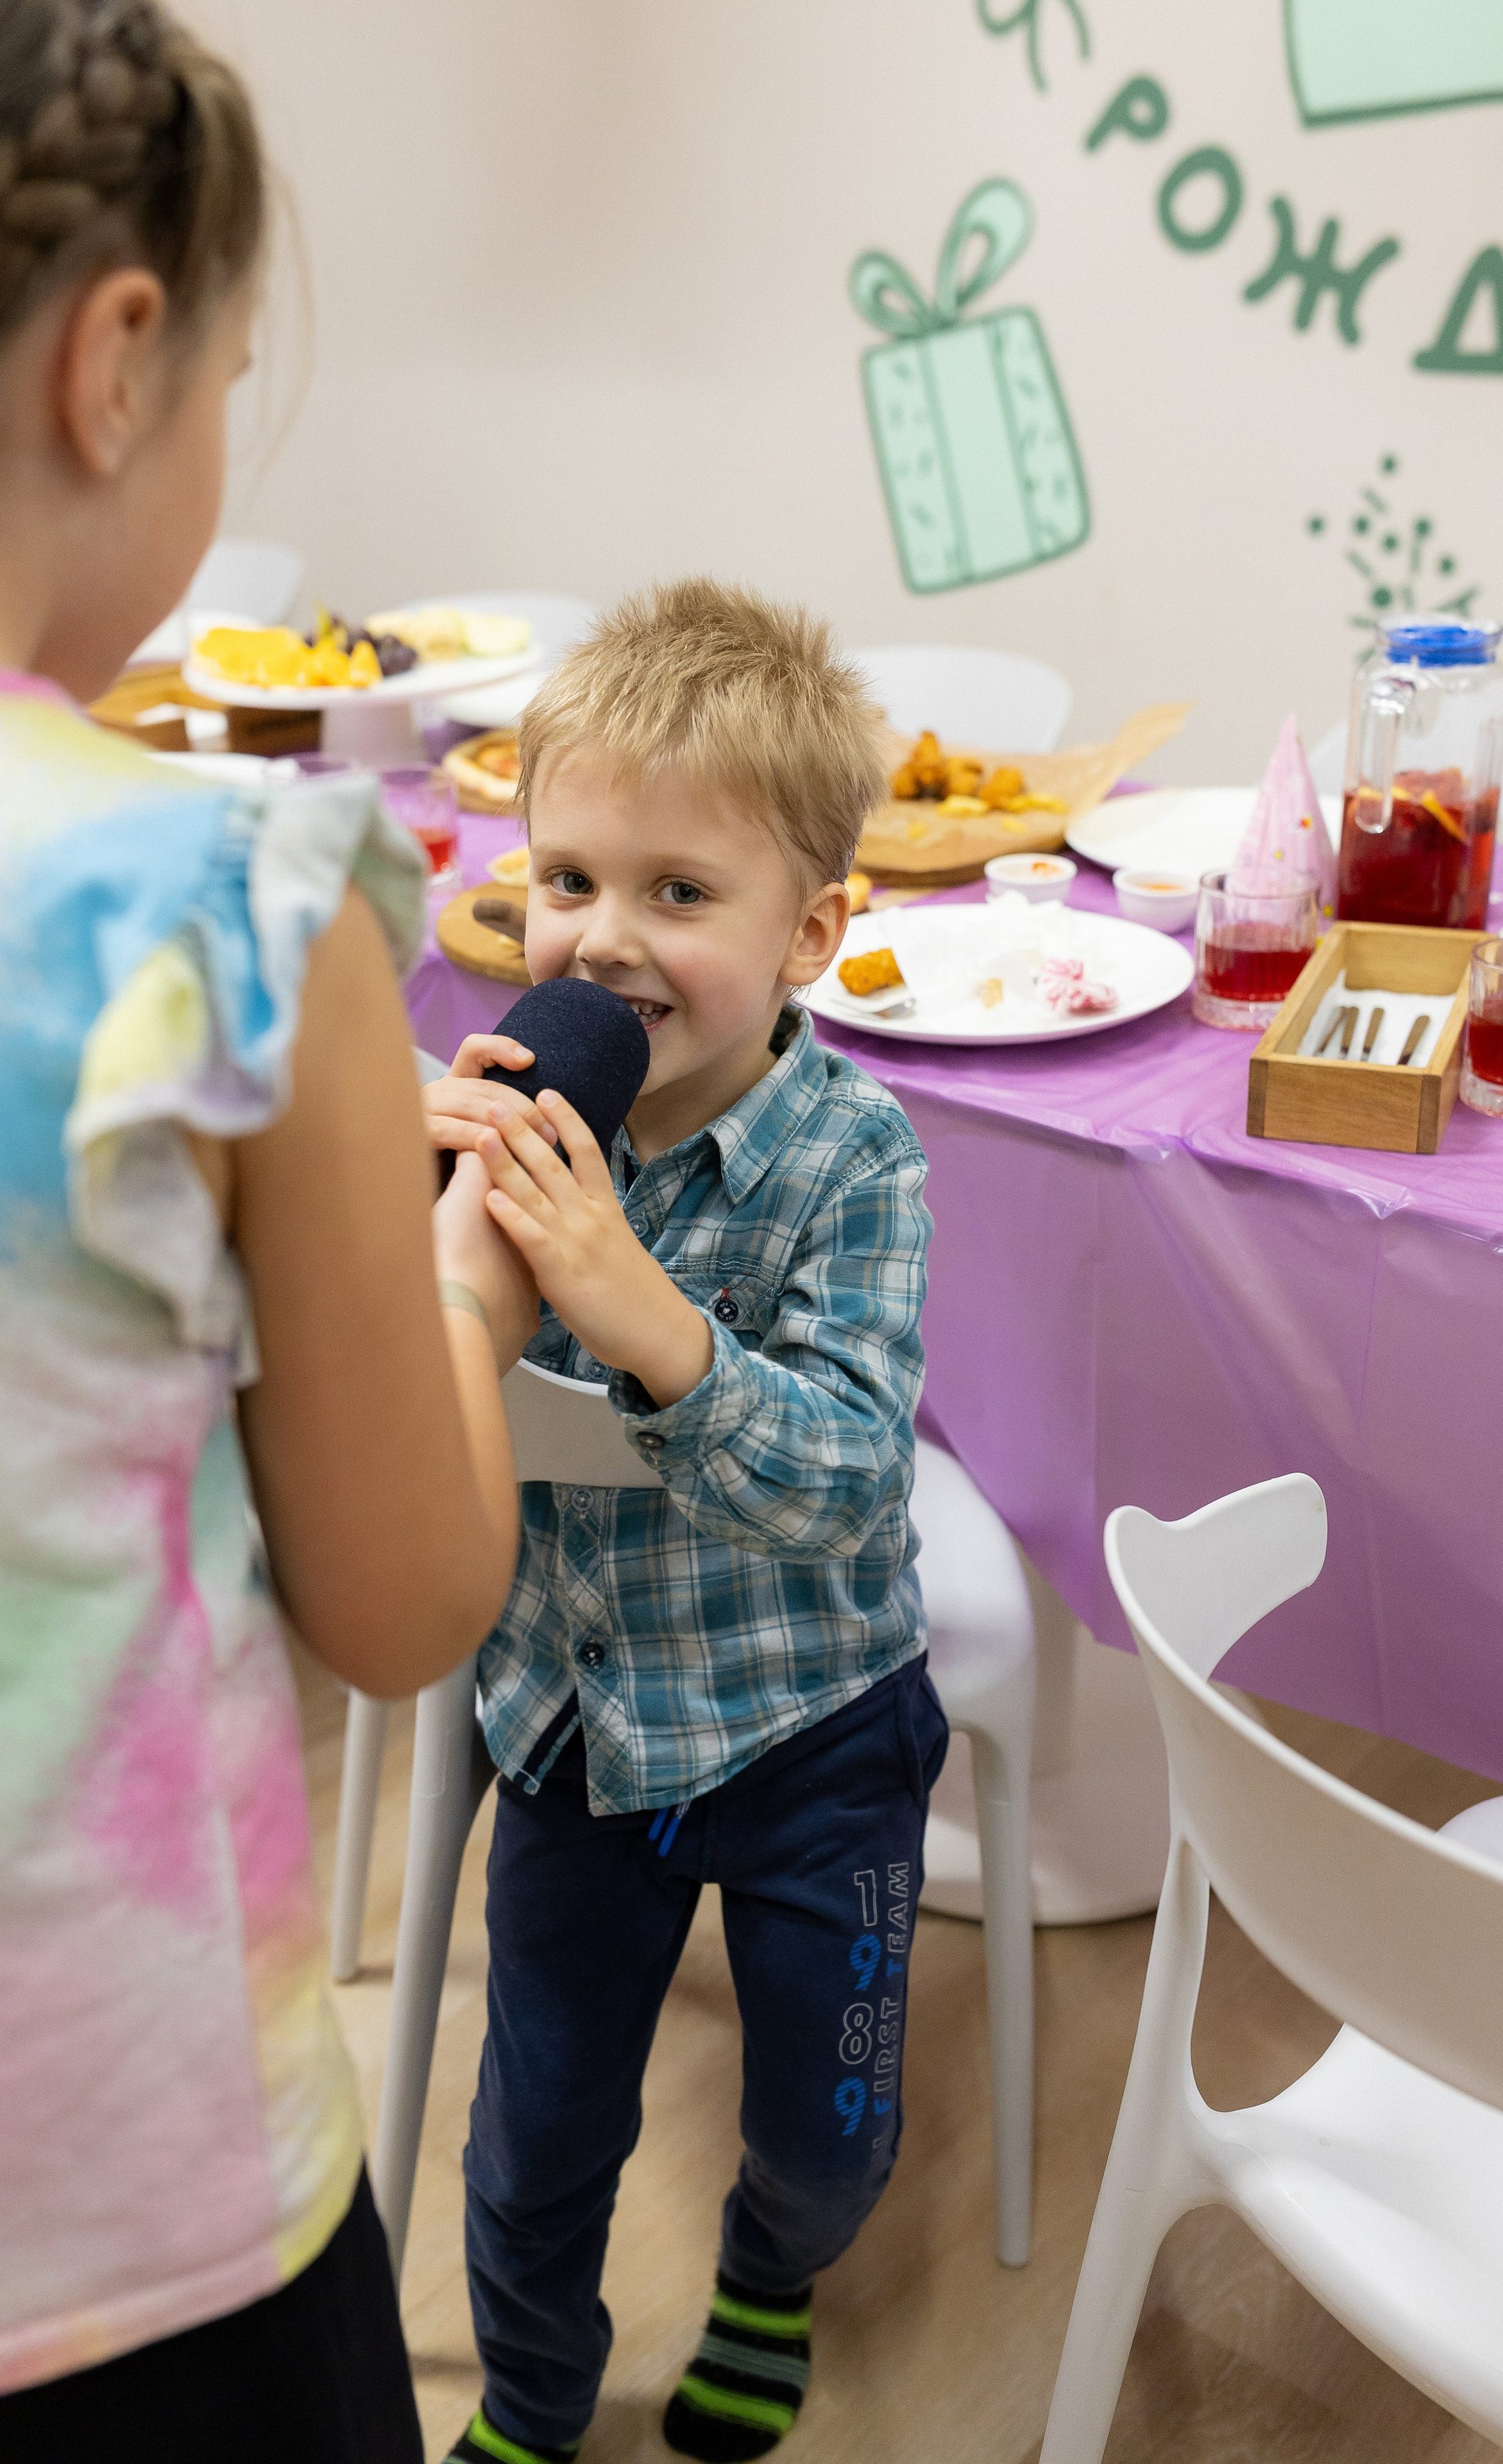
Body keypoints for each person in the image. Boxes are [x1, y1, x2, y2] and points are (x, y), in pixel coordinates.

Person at [0, 6, 538, 2458]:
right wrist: (461, 1263)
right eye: (226, 384)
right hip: (132, 2233)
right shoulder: (220, 905)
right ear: (118, 365)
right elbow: (407, 1598)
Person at [421, 578, 946, 2464]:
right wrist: (427, 1200)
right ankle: (537, 2399)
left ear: (813, 931)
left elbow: (845, 1478)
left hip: (818, 1729)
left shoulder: (854, 1159)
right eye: (567, 878)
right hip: (574, 1733)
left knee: (832, 2127)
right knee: (534, 2135)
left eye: (679, 895)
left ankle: (771, 2276)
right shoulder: (516, 1112)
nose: (603, 939)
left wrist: (632, 1300)